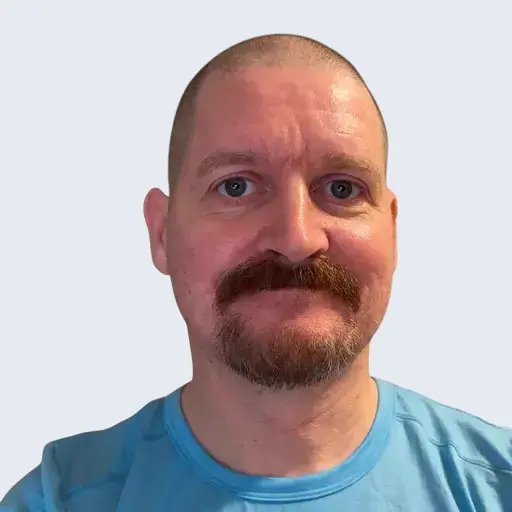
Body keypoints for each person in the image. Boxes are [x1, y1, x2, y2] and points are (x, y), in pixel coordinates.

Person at [2, 33, 511, 512]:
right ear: (161, 234)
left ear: (392, 232)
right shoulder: (60, 500)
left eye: (341, 189)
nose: (296, 239)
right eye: (236, 187)